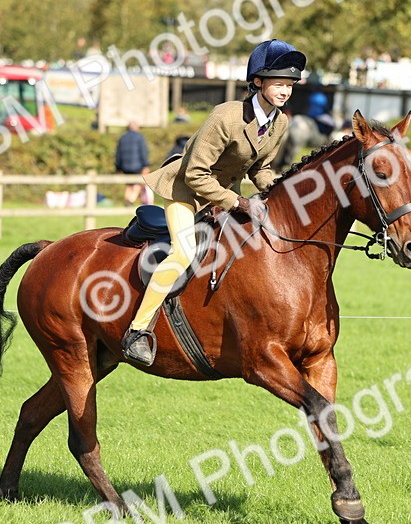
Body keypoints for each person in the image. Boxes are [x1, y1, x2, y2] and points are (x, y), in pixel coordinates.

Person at [121, 38, 300, 366]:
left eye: (290, 84)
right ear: (258, 82)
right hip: (184, 191)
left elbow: (262, 169)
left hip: (221, 196)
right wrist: (237, 202)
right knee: (184, 252)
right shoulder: (227, 116)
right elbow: (195, 174)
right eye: (279, 83)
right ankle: (137, 330)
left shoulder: (280, 123)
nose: (285, 90)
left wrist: (281, 193)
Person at [114, 121, 151, 205]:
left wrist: (118, 167)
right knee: (139, 183)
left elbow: (118, 153)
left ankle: (127, 201)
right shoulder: (140, 137)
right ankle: (131, 200)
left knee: (129, 185)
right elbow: (143, 152)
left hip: (125, 166)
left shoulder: (122, 137)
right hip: (137, 166)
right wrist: (145, 165)